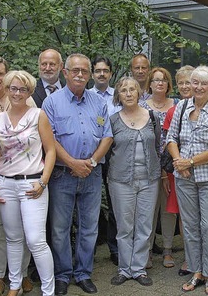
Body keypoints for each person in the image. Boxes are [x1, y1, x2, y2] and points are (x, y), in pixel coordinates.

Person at [43, 53, 113, 295]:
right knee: (60, 229)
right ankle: (62, 275)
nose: (80, 75)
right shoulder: (52, 102)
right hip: (62, 175)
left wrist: (91, 162)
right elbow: (48, 139)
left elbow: (107, 136)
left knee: (89, 228)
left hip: (92, 175)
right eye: (75, 70)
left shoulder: (99, 102)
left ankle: (83, 273)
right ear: (65, 72)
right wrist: (73, 163)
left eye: (85, 71)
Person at [0, 70, 57, 296]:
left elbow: (50, 151)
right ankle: (15, 285)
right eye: (13, 88)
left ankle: (49, 290)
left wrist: (43, 182)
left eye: (23, 89)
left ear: (29, 91)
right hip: (5, 185)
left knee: (36, 240)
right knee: (13, 238)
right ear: (6, 90)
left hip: (33, 185)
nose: (17, 93)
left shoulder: (38, 115)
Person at [166, 66, 208, 296]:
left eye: (204, 84)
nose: (199, 87)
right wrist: (178, 160)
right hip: (184, 178)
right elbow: (170, 137)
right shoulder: (181, 107)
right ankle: (196, 272)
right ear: (190, 85)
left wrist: (189, 162)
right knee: (190, 228)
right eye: (195, 83)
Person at [0, 56, 35, 294]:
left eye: (0, 74)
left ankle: (21, 273)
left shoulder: (26, 98)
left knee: (21, 229)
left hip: (23, 176)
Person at [107, 77, 161, 287]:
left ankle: (138, 269)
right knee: (124, 227)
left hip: (149, 179)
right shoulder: (113, 120)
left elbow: (157, 145)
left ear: (139, 93)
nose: (128, 93)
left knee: (145, 226)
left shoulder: (152, 117)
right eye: (123, 90)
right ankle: (124, 269)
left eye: (132, 90)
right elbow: (108, 150)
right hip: (121, 180)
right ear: (118, 95)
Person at [141, 67, 177, 269]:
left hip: (171, 166)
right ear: (150, 84)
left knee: (168, 210)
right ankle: (146, 251)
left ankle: (168, 250)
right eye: (155, 80)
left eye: (163, 80)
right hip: (148, 166)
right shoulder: (141, 106)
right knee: (149, 209)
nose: (160, 83)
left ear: (168, 84)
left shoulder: (177, 105)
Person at [162, 65, 195, 276]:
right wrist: (170, 171)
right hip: (178, 170)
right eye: (181, 82)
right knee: (184, 216)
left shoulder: (207, 107)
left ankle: (199, 255)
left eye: (188, 82)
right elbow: (167, 143)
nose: (184, 86)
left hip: (200, 168)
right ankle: (188, 256)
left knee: (198, 215)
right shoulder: (173, 111)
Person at [91, 56, 120, 266]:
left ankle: (115, 249)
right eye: (98, 70)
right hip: (90, 156)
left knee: (114, 204)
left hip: (114, 154)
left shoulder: (117, 97)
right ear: (93, 73)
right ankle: (88, 251)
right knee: (90, 205)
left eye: (105, 70)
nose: (102, 74)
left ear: (110, 73)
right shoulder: (85, 96)